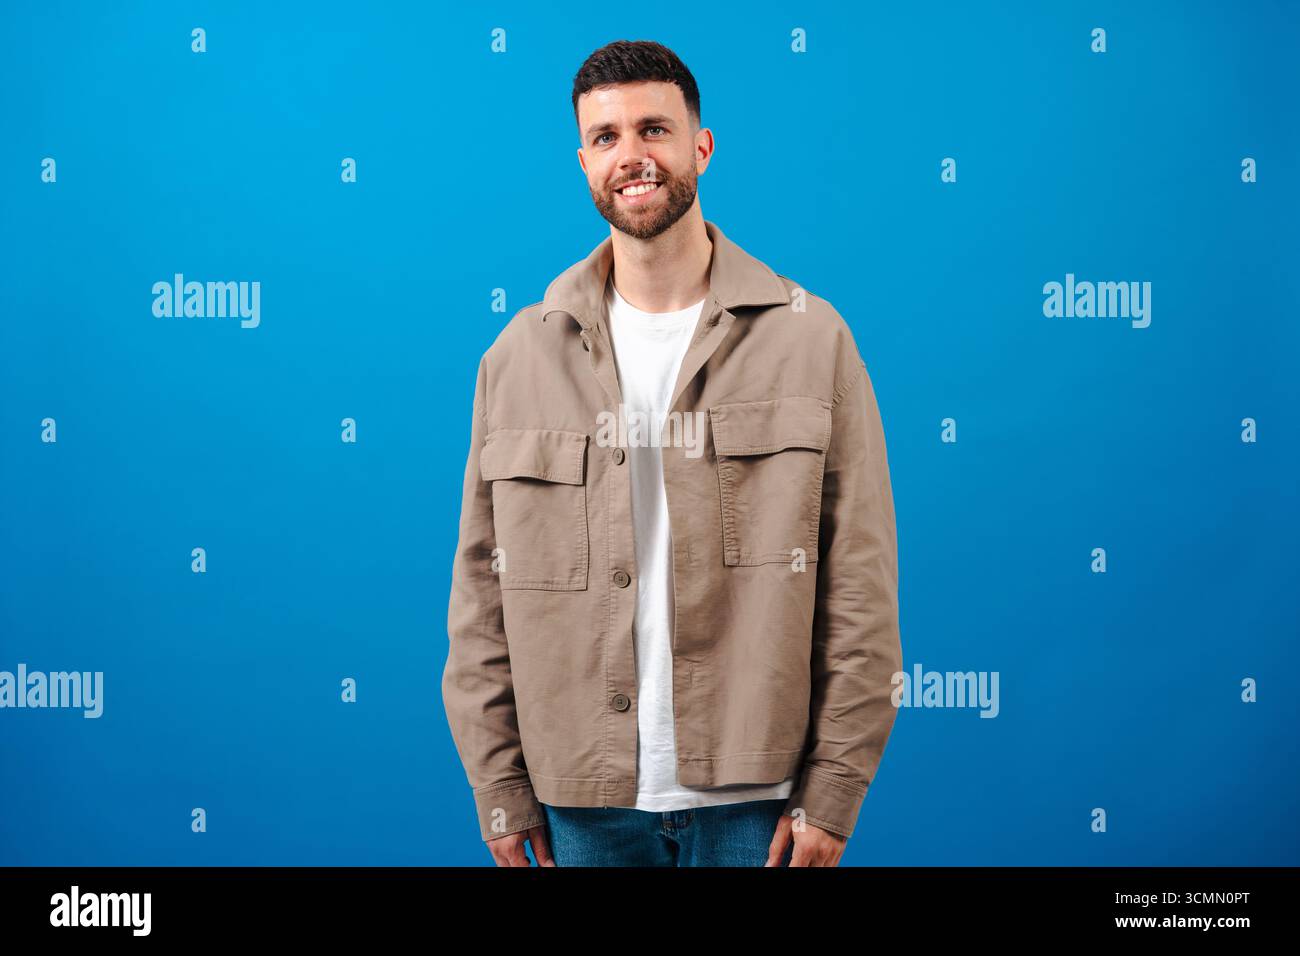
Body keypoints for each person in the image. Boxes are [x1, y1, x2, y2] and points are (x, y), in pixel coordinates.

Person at [442, 39, 902, 867]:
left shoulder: (812, 339)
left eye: (654, 129)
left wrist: (835, 789)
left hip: (758, 805)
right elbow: (481, 599)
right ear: (583, 160)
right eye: (608, 137)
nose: (633, 156)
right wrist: (500, 789)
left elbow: (859, 587)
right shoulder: (517, 357)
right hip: (582, 804)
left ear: (701, 145)